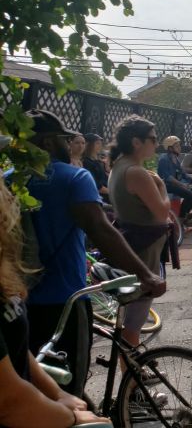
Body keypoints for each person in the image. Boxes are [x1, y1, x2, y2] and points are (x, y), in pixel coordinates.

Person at [22, 109, 166, 397]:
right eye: (65, 139)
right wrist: (146, 274)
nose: (70, 145)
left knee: (39, 383)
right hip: (67, 298)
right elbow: (102, 230)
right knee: (73, 381)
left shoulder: (11, 179)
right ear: (49, 142)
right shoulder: (73, 177)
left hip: (24, 300)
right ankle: (130, 394)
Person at [0, 176, 111, 426]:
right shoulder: (75, 178)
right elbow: (9, 402)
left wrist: (57, 394)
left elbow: (12, 349)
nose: (7, 196)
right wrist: (71, 417)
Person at [108, 116, 172, 351]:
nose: (156, 144)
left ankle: (133, 372)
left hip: (132, 246)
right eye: (153, 139)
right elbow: (162, 211)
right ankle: (131, 381)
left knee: (130, 320)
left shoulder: (118, 166)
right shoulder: (136, 172)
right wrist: (162, 187)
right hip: (143, 253)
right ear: (137, 142)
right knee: (134, 323)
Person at [157, 136, 192, 227]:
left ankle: (184, 216)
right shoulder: (163, 159)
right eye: (177, 146)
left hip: (176, 184)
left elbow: (183, 174)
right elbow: (168, 177)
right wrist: (182, 184)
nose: (179, 148)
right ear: (170, 148)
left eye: (179, 145)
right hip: (166, 185)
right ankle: (180, 221)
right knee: (189, 194)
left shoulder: (176, 159)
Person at [81, 133, 108, 199]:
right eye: (97, 143)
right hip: (99, 196)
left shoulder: (98, 162)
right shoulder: (86, 162)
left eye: (100, 143)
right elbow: (96, 186)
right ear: (88, 145)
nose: (100, 145)